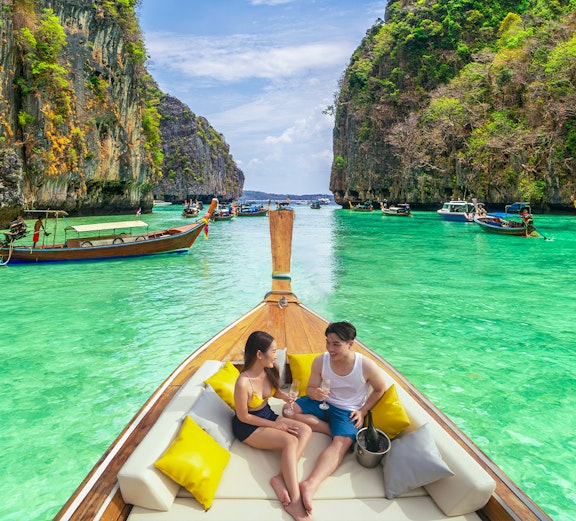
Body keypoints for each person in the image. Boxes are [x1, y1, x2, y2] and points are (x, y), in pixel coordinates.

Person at [288, 321, 387, 514]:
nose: (330, 348)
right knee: (288, 410)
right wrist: (315, 394)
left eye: (336, 344)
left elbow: (379, 389)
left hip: (347, 410)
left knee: (341, 444)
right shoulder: (320, 361)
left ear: (350, 344)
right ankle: (331, 429)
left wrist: (363, 411)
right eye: (328, 342)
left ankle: (310, 484)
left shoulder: (365, 365)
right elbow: (310, 388)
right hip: (323, 403)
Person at [233, 331, 313, 521]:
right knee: (289, 441)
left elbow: (274, 392)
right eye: (274, 351)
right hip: (248, 426)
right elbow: (243, 416)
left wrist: (285, 396)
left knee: (305, 430)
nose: (277, 355)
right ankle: (295, 500)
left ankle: (279, 478)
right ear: (259, 354)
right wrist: (276, 426)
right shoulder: (242, 383)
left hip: (267, 414)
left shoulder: (271, 368)